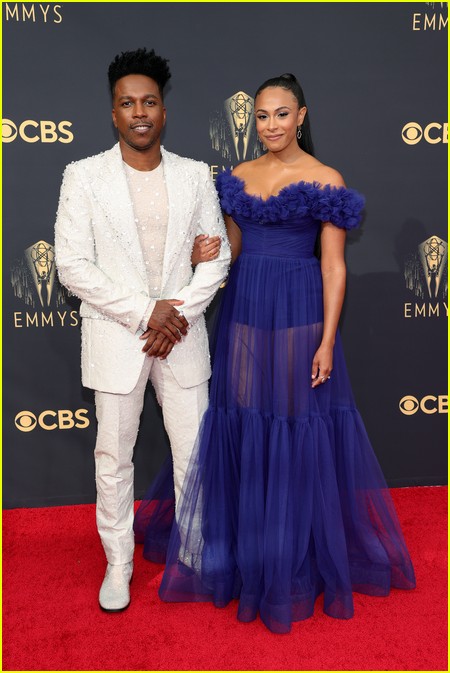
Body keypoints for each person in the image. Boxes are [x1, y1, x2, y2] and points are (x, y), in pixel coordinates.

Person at [135, 73, 416, 634]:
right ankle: (249, 552)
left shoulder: (325, 179)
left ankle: (288, 558)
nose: (271, 126)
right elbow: (231, 253)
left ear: (302, 116)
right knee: (244, 421)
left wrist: (328, 339)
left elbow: (334, 265)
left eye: (282, 115)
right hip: (245, 309)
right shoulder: (238, 177)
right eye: (262, 116)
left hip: (299, 312)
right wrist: (204, 253)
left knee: (290, 425)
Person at [54, 48, 230, 613]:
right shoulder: (82, 177)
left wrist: (173, 316)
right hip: (116, 335)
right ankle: (119, 563)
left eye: (148, 101)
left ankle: (197, 555)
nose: (139, 112)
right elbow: (72, 265)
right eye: (127, 103)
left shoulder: (195, 175)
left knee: (194, 454)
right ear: (112, 113)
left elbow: (217, 256)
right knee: (113, 456)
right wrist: (143, 312)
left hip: (180, 338)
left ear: (163, 110)